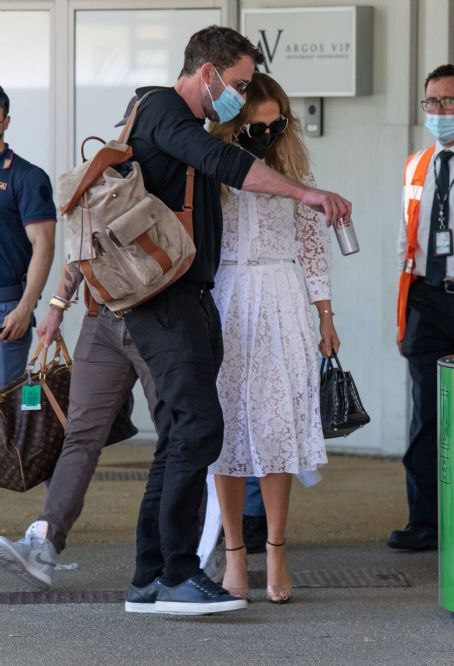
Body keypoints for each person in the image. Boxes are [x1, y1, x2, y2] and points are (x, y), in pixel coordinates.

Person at [0, 26, 351, 617]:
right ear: (207, 71)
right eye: (235, 83)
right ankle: (176, 575)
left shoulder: (151, 117)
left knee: (171, 433)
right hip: (162, 305)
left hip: (140, 306)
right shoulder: (166, 109)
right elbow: (225, 161)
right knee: (196, 429)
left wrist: (60, 306)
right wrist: (307, 194)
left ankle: (144, 576)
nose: (237, 95)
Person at [203, 72, 339, 603]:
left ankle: (277, 551)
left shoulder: (295, 169)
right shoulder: (212, 164)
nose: (265, 131)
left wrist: (326, 314)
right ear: (234, 123)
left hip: (284, 294)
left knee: (279, 423)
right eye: (254, 124)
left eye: (274, 122)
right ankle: (235, 555)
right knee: (229, 426)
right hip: (227, 293)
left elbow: (312, 246)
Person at [388, 64, 454, 551]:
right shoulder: (418, 165)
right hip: (427, 300)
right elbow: (404, 239)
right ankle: (425, 523)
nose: (439, 112)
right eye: (431, 103)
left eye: (448, 102)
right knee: (427, 416)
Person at [0, 86, 56, 387]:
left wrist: (24, 308)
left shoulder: (27, 177)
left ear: (6, 121)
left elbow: (44, 245)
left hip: (6, 309)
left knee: (2, 412)